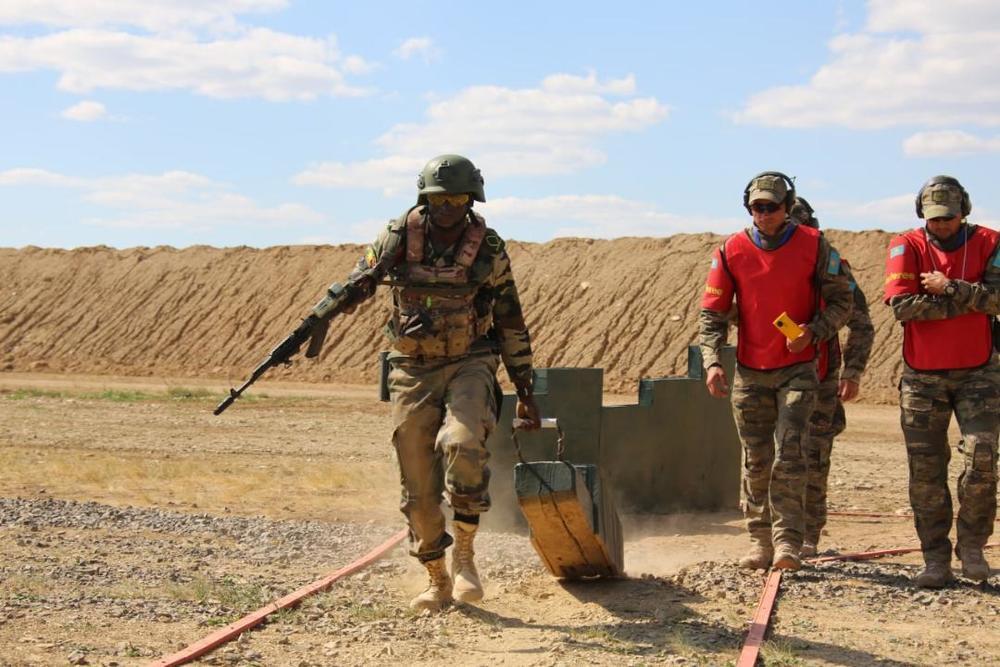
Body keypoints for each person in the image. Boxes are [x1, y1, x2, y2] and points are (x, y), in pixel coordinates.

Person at [341, 154, 540, 610]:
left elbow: (510, 319)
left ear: (471, 200)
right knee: (417, 484)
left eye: (457, 198)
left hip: (470, 360)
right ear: (424, 199)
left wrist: (525, 390)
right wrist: (337, 303)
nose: (448, 207)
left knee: (463, 441)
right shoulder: (396, 237)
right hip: (412, 367)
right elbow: (359, 280)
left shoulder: (487, 248)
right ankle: (436, 577)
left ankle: (465, 555)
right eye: (438, 198)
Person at [700, 172, 853, 571]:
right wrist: (713, 361)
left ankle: (789, 541)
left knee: (791, 453)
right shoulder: (730, 250)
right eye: (757, 207)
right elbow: (712, 313)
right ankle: (759, 540)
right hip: (751, 371)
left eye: (772, 207)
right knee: (755, 457)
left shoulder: (816, 247)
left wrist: (813, 333)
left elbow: (843, 303)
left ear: (788, 207)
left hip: (798, 370)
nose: (764, 215)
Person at [883, 175, 1000, 588]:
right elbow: (904, 306)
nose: (941, 226)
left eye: (948, 218)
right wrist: (970, 300)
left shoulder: (990, 242)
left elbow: (999, 297)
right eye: (934, 219)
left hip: (980, 372)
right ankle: (935, 558)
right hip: (923, 375)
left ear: (963, 211)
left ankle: (972, 546)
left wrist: (950, 287)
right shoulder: (907, 245)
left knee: (982, 460)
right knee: (926, 471)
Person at [790, 198, 875, 557]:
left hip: (821, 376)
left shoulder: (832, 264)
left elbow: (861, 323)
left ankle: (807, 534)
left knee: (814, 455)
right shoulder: (755, 257)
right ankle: (774, 536)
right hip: (769, 372)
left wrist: (852, 372)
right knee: (767, 454)